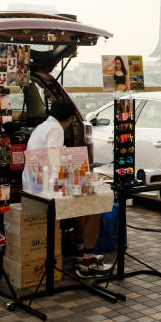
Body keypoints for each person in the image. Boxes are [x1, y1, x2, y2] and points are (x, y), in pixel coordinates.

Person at [27, 97, 112, 277]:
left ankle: (81, 253)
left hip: (34, 186)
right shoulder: (56, 129)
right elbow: (55, 162)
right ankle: (86, 262)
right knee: (94, 209)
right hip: (46, 190)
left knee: (82, 207)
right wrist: (81, 176)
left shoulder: (43, 126)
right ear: (69, 118)